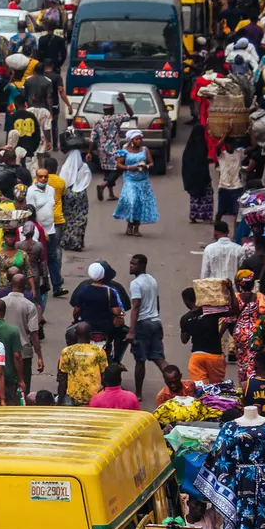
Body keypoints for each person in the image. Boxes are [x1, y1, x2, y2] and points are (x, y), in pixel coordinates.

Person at [128, 253, 166, 396]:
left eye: (134, 264)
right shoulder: (152, 280)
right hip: (156, 322)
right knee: (159, 358)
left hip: (143, 324)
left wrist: (131, 331)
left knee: (140, 359)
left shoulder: (136, 284)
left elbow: (135, 307)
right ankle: (176, 386)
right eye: (131, 263)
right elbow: (157, 302)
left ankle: (138, 393)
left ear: (142, 266)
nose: (131, 266)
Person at [112, 130, 157, 236]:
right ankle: (129, 225)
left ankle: (136, 228)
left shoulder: (145, 150)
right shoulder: (124, 151)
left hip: (143, 181)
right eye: (137, 139)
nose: (139, 141)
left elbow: (151, 163)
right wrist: (129, 168)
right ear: (131, 140)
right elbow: (119, 164)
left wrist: (146, 166)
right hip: (130, 180)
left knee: (140, 203)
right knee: (132, 201)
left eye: (140, 139)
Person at [57, 321, 109, 406]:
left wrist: (59, 401)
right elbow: (104, 375)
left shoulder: (67, 351)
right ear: (90, 336)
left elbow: (62, 378)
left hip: (73, 397)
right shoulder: (99, 351)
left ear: (75, 335)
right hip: (95, 397)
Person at [90, 95, 130, 201]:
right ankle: (103, 185)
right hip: (114, 149)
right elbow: (131, 114)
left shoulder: (97, 121)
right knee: (119, 169)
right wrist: (124, 101)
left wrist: (89, 152)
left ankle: (111, 194)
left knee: (108, 171)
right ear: (112, 109)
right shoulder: (116, 119)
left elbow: (93, 138)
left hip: (102, 150)